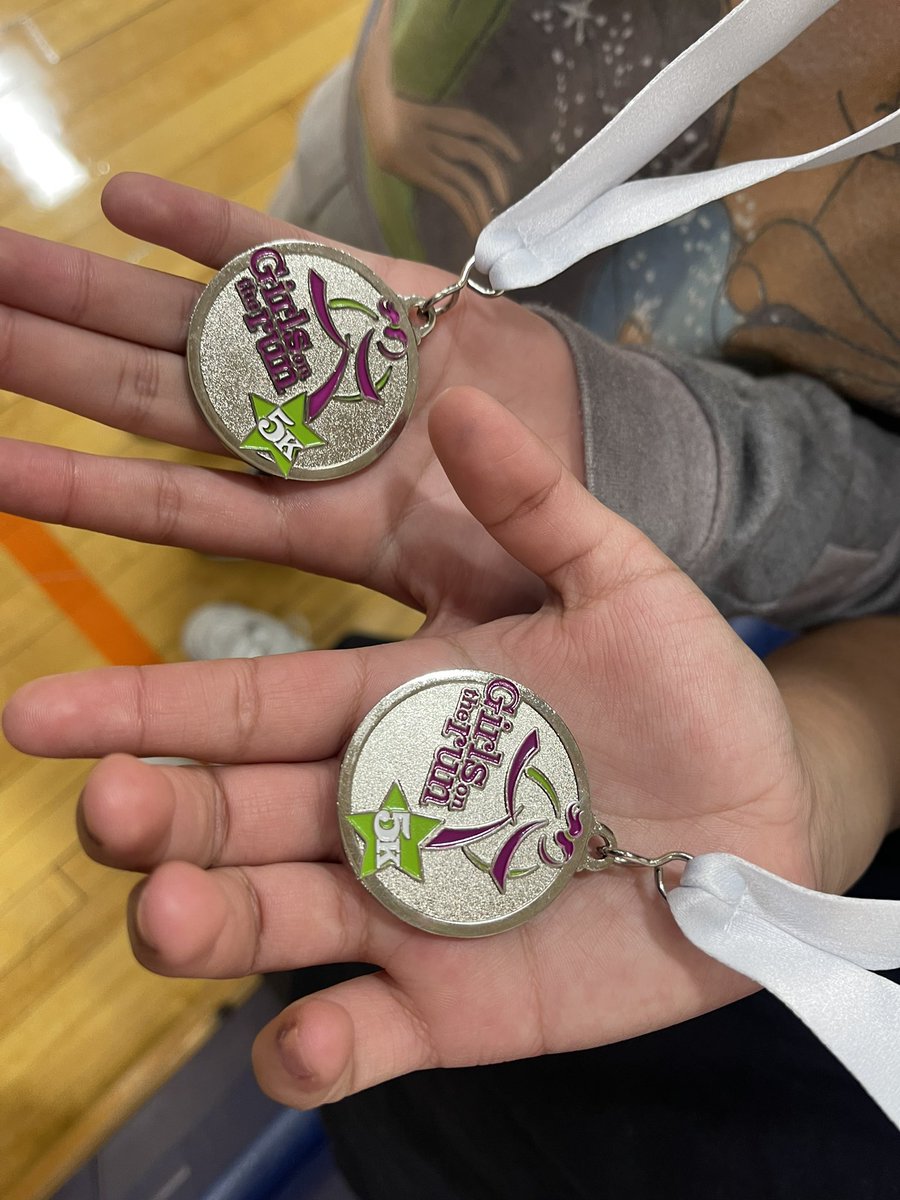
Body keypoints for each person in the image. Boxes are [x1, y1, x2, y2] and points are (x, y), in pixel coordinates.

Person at [3, 384, 900, 1199]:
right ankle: (280, 746)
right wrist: (813, 794)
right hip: (738, 934)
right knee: (340, 844)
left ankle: (265, 781)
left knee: (347, 1011)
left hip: (459, 1134)